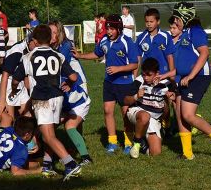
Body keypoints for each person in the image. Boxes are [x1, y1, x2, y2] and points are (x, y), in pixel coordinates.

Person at [11, 24, 82, 181]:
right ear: (50, 39)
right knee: (49, 134)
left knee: (48, 136)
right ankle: (47, 166)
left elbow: (16, 79)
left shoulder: (28, 57)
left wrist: (13, 89)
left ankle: (71, 164)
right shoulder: (58, 55)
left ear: (34, 41)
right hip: (57, 97)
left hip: (42, 99)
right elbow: (74, 77)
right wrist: (69, 85)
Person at [166, 2, 211, 160]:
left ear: (185, 17)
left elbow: (204, 54)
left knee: (187, 114)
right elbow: (182, 62)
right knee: (180, 114)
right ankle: (187, 153)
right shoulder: (184, 32)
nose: (175, 20)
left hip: (198, 77)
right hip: (184, 79)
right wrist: (167, 76)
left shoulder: (196, 31)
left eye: (177, 17)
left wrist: (191, 76)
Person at [74, 14, 140, 154]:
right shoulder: (104, 40)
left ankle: (128, 142)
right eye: (107, 28)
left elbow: (135, 64)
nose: (109, 31)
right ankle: (112, 142)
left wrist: (119, 69)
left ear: (119, 28)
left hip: (125, 84)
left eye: (112, 29)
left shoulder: (127, 42)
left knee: (125, 114)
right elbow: (97, 54)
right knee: (108, 111)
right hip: (109, 83)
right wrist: (80, 56)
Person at [49, 20, 92, 164]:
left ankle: (79, 151)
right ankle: (75, 147)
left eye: (55, 32)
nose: (52, 35)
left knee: (74, 116)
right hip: (65, 83)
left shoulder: (65, 46)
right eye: (49, 32)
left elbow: (60, 66)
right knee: (67, 120)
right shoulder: (50, 47)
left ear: (60, 33)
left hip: (76, 83)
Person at [124, 58, 174, 158]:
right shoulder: (139, 81)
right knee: (145, 116)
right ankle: (137, 142)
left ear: (157, 73)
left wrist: (171, 96)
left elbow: (175, 97)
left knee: (155, 153)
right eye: (144, 74)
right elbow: (125, 100)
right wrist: (136, 96)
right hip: (137, 112)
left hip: (154, 119)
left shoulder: (166, 83)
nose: (145, 77)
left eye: (149, 75)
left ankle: (143, 144)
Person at [135, 8, 175, 77]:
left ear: (158, 21)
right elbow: (138, 59)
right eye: (147, 22)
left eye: (151, 21)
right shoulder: (140, 38)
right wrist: (135, 76)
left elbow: (170, 57)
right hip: (147, 76)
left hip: (163, 74)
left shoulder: (166, 36)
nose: (149, 24)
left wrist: (172, 76)